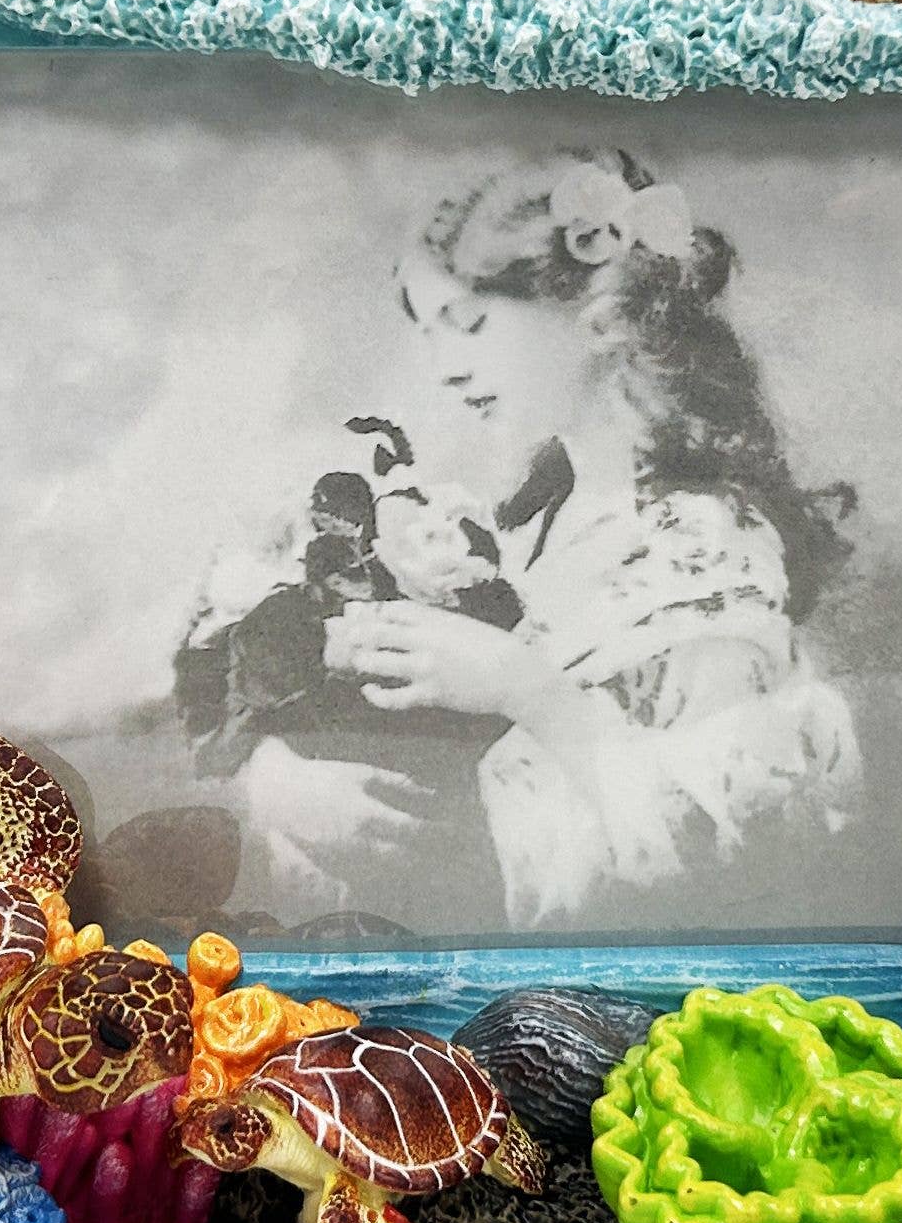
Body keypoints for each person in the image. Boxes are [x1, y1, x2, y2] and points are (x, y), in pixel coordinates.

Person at [221, 145, 861, 926]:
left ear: (600, 317)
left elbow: (735, 860)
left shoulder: (704, 544)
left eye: (469, 324)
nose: (444, 368)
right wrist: (276, 779)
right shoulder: (530, 515)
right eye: (428, 333)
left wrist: (525, 687)